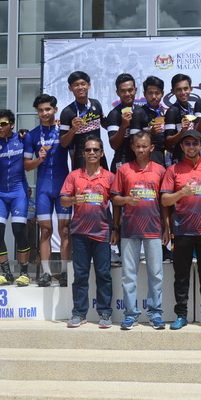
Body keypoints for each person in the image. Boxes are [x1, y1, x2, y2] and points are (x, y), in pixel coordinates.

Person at [160, 130, 201, 331]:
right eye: (187, 143)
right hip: (182, 232)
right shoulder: (173, 170)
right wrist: (182, 192)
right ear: (182, 146)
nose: (191, 147)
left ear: (200, 145)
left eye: (195, 143)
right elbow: (165, 200)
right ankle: (181, 315)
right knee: (181, 277)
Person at [110, 131, 168, 330]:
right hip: (129, 229)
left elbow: (164, 203)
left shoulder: (160, 170)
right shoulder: (123, 170)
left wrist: (166, 228)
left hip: (154, 229)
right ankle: (130, 315)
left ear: (152, 148)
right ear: (132, 147)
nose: (141, 149)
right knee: (129, 275)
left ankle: (155, 313)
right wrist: (126, 201)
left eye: (145, 146)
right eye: (138, 146)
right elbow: (115, 200)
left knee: (156, 274)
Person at [59, 135, 115, 328]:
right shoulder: (74, 176)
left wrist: (115, 229)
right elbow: (63, 200)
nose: (92, 153)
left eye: (95, 150)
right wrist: (73, 200)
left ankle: (105, 313)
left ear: (102, 153)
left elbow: (116, 204)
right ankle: (79, 313)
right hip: (80, 233)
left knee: (103, 275)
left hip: (102, 233)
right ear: (83, 154)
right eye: (88, 150)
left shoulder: (109, 177)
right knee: (80, 275)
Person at [0, 109, 32, 286]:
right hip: (0, 193)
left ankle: (24, 273)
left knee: (19, 231)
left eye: (3, 124)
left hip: (19, 191)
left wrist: (25, 133)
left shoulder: (23, 139)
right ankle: (6, 274)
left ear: (12, 124)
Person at [24, 93, 71, 287]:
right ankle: (46, 273)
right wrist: (39, 159)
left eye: (48, 109)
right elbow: (27, 166)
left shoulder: (63, 131)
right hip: (43, 186)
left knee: (65, 230)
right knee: (45, 230)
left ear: (55, 110)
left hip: (62, 185)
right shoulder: (32, 135)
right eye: (41, 110)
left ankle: (65, 272)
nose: (44, 113)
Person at [59, 70, 107, 170]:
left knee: (105, 179)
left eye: (83, 84)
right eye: (76, 85)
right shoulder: (67, 112)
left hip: (98, 153)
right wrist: (73, 129)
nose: (80, 87)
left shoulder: (96, 104)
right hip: (81, 157)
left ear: (89, 85)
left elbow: (105, 124)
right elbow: (63, 143)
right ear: (70, 88)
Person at [107, 73, 147, 173]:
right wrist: (123, 126)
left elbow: (147, 141)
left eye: (130, 90)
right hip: (121, 160)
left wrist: (152, 132)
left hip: (140, 161)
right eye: (123, 91)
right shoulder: (114, 114)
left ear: (135, 90)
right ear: (117, 93)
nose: (127, 94)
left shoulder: (141, 112)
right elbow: (114, 145)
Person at [164, 74, 201, 162]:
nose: (183, 92)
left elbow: (199, 133)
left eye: (185, 88)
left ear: (191, 89)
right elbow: (168, 142)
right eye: (179, 89)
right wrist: (182, 132)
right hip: (179, 160)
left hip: (194, 157)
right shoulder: (172, 111)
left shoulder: (191, 109)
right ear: (172, 91)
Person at [141, 76, 168, 167]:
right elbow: (133, 138)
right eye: (150, 93)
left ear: (162, 93)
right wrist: (150, 132)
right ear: (144, 94)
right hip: (147, 156)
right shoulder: (139, 113)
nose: (153, 97)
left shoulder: (165, 112)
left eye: (157, 93)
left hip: (164, 156)